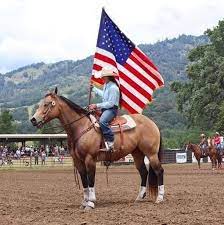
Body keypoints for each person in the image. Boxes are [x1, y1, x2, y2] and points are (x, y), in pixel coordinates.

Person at [89, 67, 120, 151]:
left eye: (103, 76)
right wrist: (94, 89)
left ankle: (110, 142)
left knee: (102, 121)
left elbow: (111, 103)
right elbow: (104, 95)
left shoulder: (113, 88)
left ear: (107, 77)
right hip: (106, 108)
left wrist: (96, 105)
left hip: (111, 109)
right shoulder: (107, 85)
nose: (101, 78)